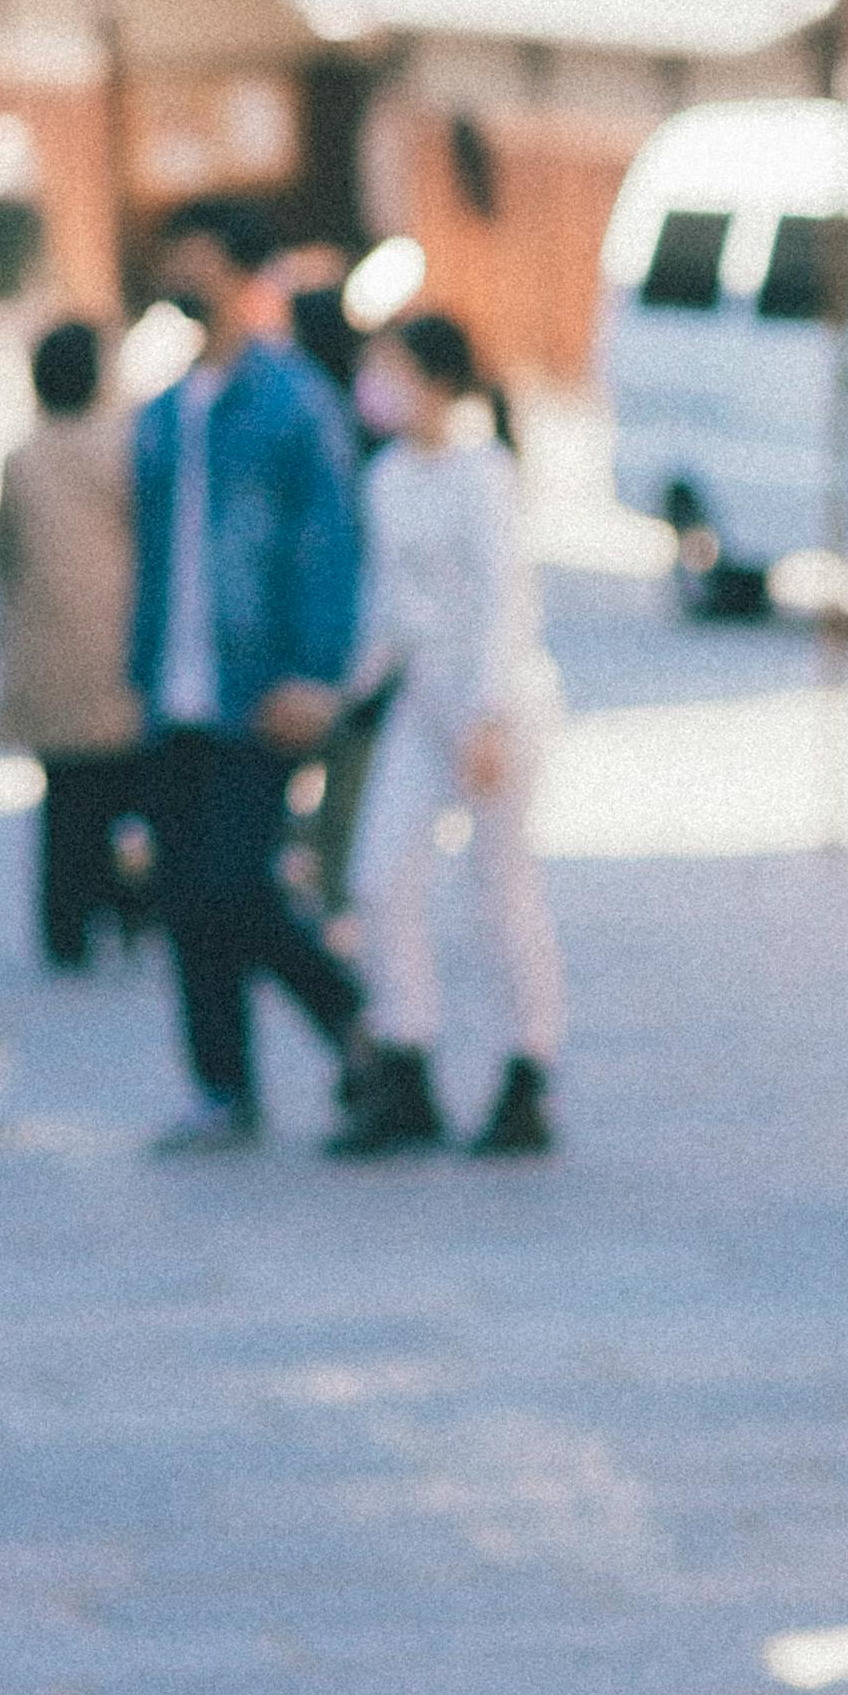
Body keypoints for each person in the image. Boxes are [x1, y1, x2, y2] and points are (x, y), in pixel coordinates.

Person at [128, 199, 371, 1149]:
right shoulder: (163, 409)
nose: (177, 277)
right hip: (173, 689)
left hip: (258, 686)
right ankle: (222, 1086)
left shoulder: (294, 403)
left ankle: (354, 1021)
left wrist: (316, 671)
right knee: (187, 897)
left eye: (189, 257)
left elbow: (328, 547)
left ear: (232, 270)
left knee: (237, 882)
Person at [332, 305, 566, 1158]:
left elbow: (505, 600)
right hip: (419, 706)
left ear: (433, 377)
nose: (375, 386)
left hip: (493, 711)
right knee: (378, 874)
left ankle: (528, 1061)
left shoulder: (484, 471)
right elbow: (389, 606)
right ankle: (407, 1053)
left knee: (498, 890)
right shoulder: (389, 476)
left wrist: (489, 715)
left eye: (391, 368)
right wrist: (346, 694)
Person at [0, 317, 147, 965]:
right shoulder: (127, 444)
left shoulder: (24, 456)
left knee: (64, 797)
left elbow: (6, 553)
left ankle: (66, 927)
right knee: (129, 790)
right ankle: (130, 907)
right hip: (121, 638)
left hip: (50, 643)